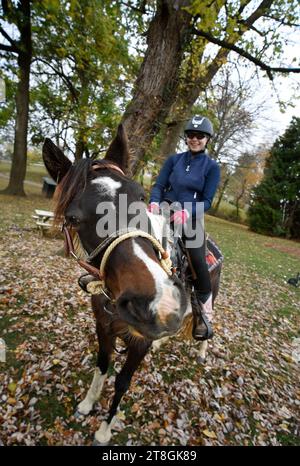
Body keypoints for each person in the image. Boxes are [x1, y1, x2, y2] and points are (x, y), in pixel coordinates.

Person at [148, 115, 220, 340]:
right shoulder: (174, 160)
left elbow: (207, 201)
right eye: (190, 135)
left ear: (207, 139)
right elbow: (159, 185)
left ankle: (204, 311)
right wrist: (154, 201)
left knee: (198, 259)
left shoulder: (212, 167)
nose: (194, 139)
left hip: (191, 217)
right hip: (164, 211)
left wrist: (187, 211)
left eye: (199, 136)